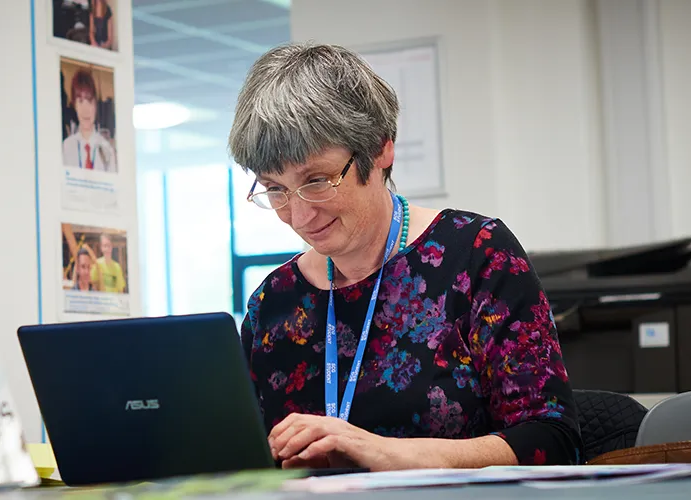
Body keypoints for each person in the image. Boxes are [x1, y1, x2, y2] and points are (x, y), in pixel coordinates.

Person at [229, 42, 582, 471]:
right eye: (275, 189)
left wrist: (385, 452)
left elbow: (553, 440)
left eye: (317, 180)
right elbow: (242, 458)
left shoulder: (476, 256)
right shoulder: (273, 304)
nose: (299, 215)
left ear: (380, 150)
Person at [61, 68, 117, 173]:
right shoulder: (66, 147)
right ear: (74, 105)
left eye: (90, 101)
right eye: (80, 101)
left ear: (96, 104)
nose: (85, 110)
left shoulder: (107, 150)